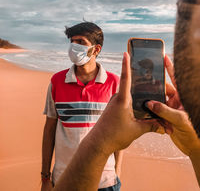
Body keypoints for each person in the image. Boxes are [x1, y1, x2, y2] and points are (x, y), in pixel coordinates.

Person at [52, 53, 200, 191]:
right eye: (141, 71)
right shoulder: (56, 81)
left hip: (106, 178)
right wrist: (195, 148)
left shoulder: (114, 81)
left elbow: (117, 131)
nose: (144, 74)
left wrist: (101, 146)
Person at [41, 22, 123, 191]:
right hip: (64, 177)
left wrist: (116, 172)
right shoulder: (57, 81)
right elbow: (49, 130)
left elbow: (118, 134)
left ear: (96, 49)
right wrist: (45, 176)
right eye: (72, 41)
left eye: (81, 42)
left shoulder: (114, 83)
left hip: (104, 182)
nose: (74, 46)